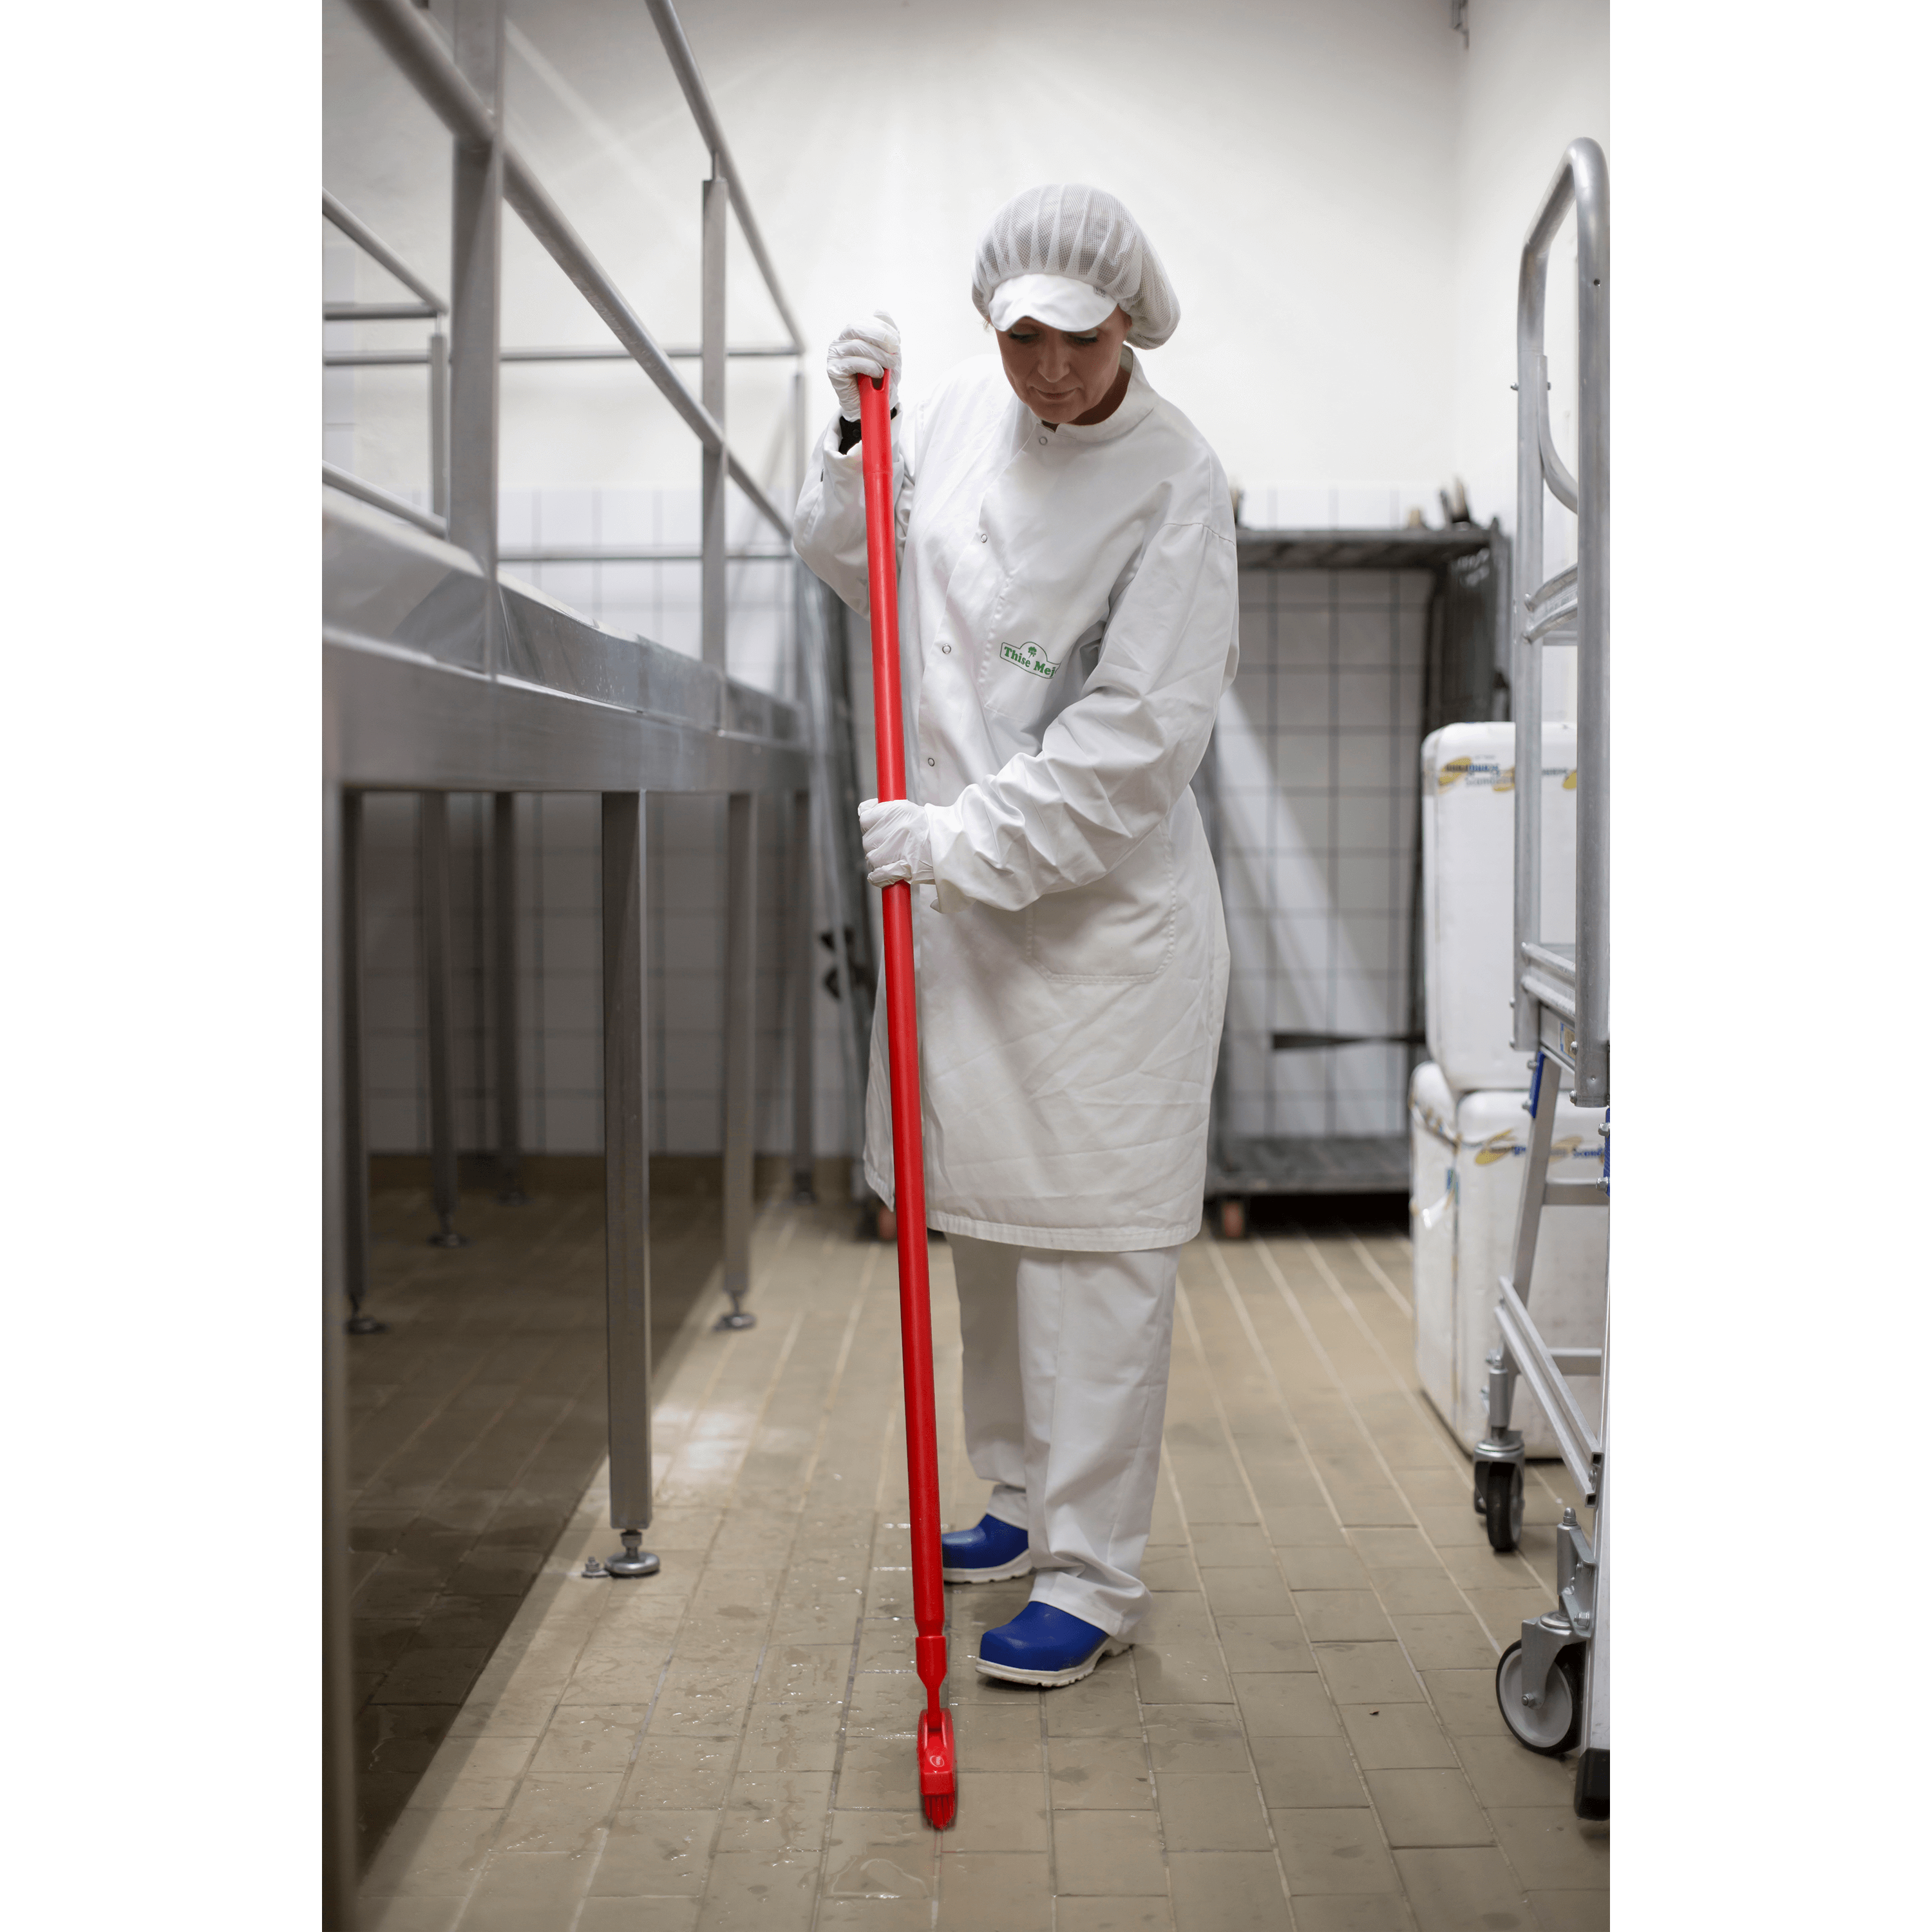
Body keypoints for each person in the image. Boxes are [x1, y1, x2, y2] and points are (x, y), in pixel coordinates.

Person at [794, 183, 1238, 1689]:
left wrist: (962, 841)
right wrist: (857, 441)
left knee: (1100, 1251)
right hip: (972, 919)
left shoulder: (1177, 482)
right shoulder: (967, 428)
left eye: (1076, 334)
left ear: (1132, 320)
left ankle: (1098, 1573)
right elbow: (858, 564)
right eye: (1020, 335)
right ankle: (1015, 1495)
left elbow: (1134, 745)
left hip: (1097, 928)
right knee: (984, 1222)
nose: (1046, 367)